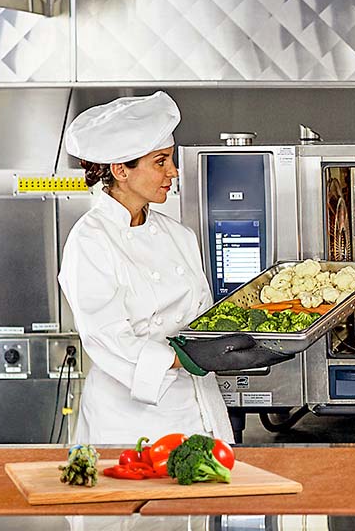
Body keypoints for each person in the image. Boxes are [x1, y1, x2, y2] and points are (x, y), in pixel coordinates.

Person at [58, 91, 235, 444]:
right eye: (160, 162)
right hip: (131, 424)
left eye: (171, 159)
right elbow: (107, 338)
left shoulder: (179, 236)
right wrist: (187, 358)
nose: (173, 171)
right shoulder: (90, 241)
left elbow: (200, 320)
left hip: (198, 409)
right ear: (121, 170)